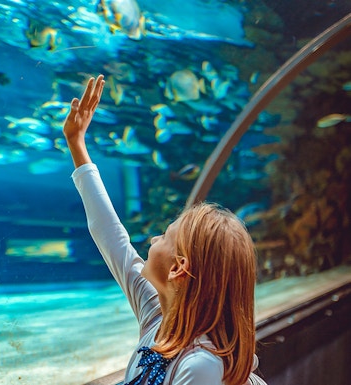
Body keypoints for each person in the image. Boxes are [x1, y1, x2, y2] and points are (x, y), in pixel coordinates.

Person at [63, 75, 267, 385]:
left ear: (178, 268)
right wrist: (77, 145)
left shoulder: (201, 366)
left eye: (165, 236)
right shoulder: (159, 316)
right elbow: (110, 235)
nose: (154, 238)